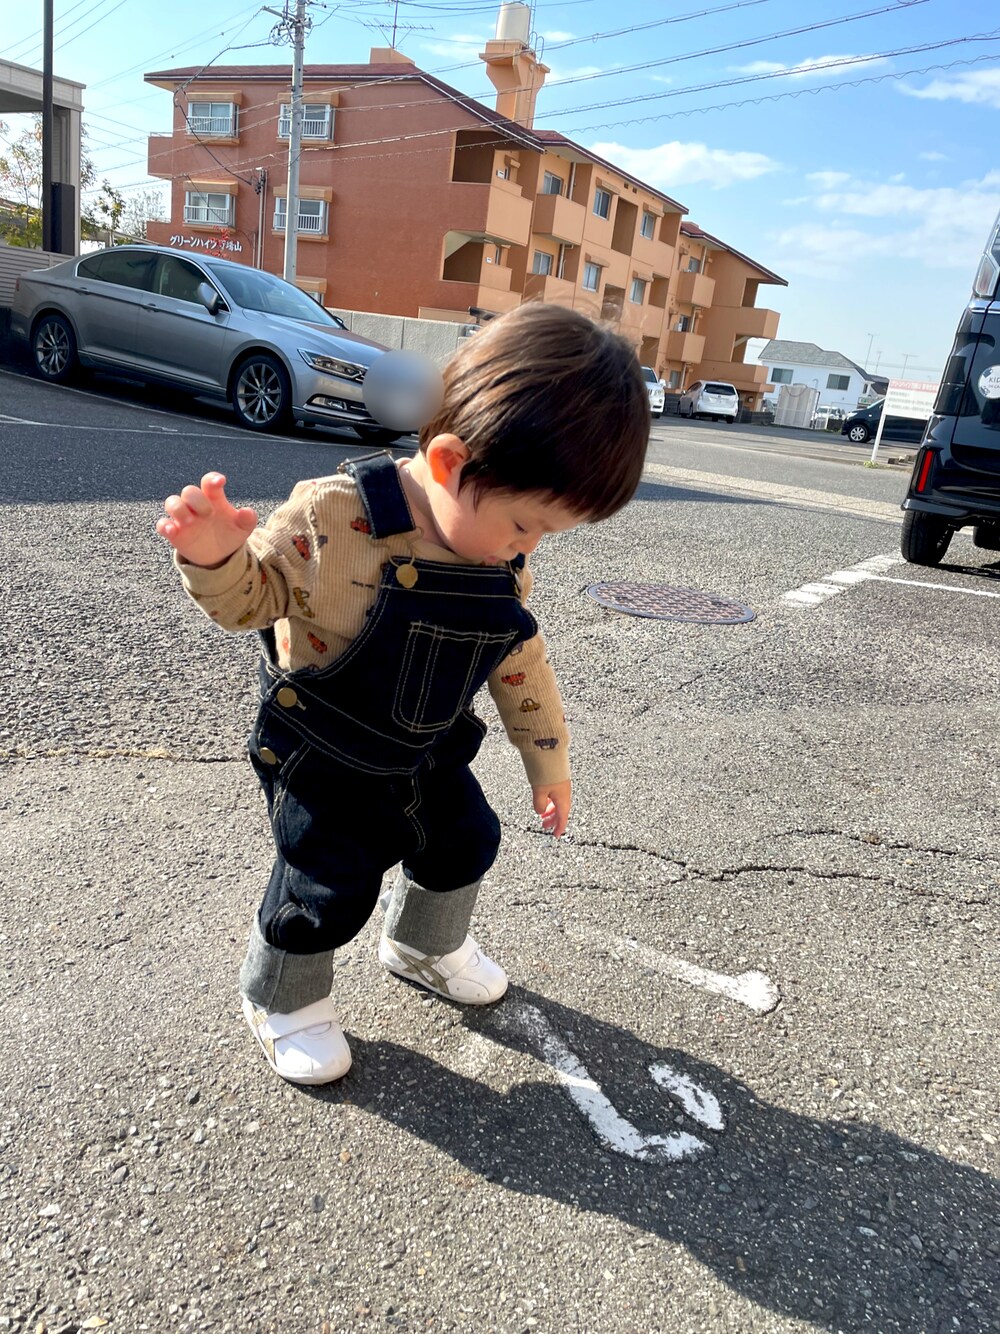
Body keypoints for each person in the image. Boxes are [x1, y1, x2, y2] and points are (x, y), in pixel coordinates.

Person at [155, 302, 650, 1086]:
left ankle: (424, 943)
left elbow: (517, 656)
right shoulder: (332, 516)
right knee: (326, 880)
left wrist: (547, 760)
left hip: (430, 745)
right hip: (328, 747)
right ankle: (282, 997)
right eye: (526, 525)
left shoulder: (499, 558)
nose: (529, 547)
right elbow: (250, 602)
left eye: (546, 534)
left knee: (464, 840)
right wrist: (216, 556)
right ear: (449, 463)